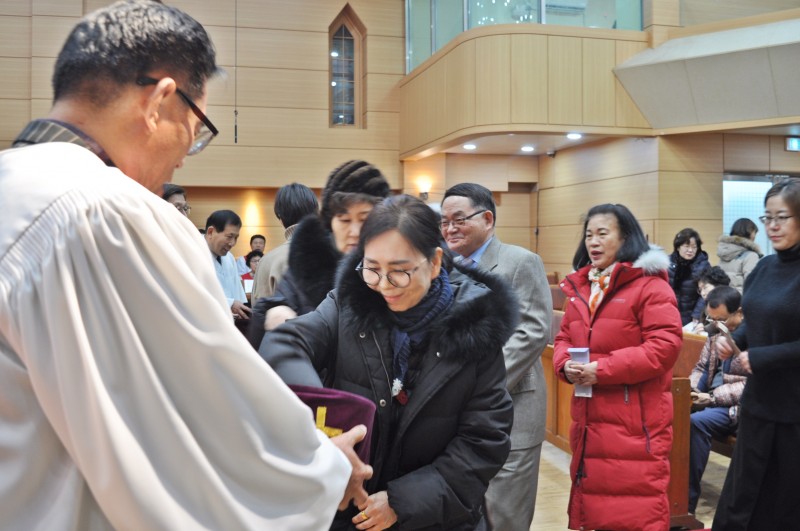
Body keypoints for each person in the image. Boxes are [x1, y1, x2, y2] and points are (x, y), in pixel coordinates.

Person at [0, 2, 373, 528]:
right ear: (160, 102)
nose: (182, 158)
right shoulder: (107, 212)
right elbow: (207, 412)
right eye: (196, 130)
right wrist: (324, 469)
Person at [260, 194, 515, 530]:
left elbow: (483, 442)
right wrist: (319, 431)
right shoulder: (348, 306)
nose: (382, 286)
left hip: (437, 518)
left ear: (435, 262)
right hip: (351, 512)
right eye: (371, 268)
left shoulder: (475, 328)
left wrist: (402, 502)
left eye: (399, 272)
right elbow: (286, 342)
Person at [553, 203, 682, 531]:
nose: (592, 242)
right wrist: (564, 364)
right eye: (588, 235)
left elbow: (663, 348)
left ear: (626, 238)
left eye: (602, 234)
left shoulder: (651, 286)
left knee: (634, 511)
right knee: (596, 509)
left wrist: (602, 369)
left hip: (634, 425)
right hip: (589, 418)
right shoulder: (583, 288)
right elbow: (565, 335)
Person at [441, 183, 551, 531]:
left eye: (459, 219)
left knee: (505, 517)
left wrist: (477, 387)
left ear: (487, 218)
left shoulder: (520, 261)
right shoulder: (444, 267)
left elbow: (532, 331)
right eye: (443, 222)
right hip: (459, 419)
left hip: (512, 409)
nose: (449, 229)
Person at [712, 179, 800, 530]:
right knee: (742, 500)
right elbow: (756, 320)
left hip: (795, 410)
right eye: (767, 218)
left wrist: (763, 358)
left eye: (783, 217)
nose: (773, 226)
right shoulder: (763, 267)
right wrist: (734, 340)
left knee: (786, 504)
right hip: (760, 403)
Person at [259, 160, 390, 334]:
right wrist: (275, 312)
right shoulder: (304, 267)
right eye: (344, 219)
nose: (355, 231)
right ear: (330, 222)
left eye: (365, 218)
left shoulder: (399, 267)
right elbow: (276, 307)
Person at [688, 285, 747, 514]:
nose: (716, 325)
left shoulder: (753, 337)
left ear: (739, 312)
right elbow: (702, 367)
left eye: (722, 319)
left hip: (735, 407)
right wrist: (691, 390)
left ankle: (686, 504)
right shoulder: (716, 332)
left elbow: (750, 386)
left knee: (696, 423)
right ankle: (666, 497)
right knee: (671, 413)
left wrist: (710, 398)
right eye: (712, 319)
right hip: (711, 400)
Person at [251, 182, 319, 300]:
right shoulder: (335, 254)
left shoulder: (268, 261)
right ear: (316, 214)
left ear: (281, 219)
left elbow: (259, 310)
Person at [205, 210, 252, 320]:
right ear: (211, 232)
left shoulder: (229, 257)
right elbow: (193, 294)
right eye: (229, 236)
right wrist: (229, 303)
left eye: (236, 237)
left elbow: (238, 293)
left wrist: (241, 310)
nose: (232, 243)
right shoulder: (193, 254)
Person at [668, 227, 711, 326]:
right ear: (678, 247)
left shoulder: (703, 265)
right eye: (686, 246)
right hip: (670, 313)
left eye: (694, 247)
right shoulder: (668, 263)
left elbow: (706, 293)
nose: (690, 250)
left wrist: (697, 314)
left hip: (692, 316)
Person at [716, 217, 762, 294]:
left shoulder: (724, 252)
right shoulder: (751, 256)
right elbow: (752, 285)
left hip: (722, 299)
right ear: (749, 232)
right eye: (754, 232)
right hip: (740, 301)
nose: (755, 236)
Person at [690, 266, 731, 334]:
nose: (702, 293)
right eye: (700, 290)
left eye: (705, 288)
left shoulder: (729, 304)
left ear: (718, 285)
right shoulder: (706, 306)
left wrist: (705, 329)